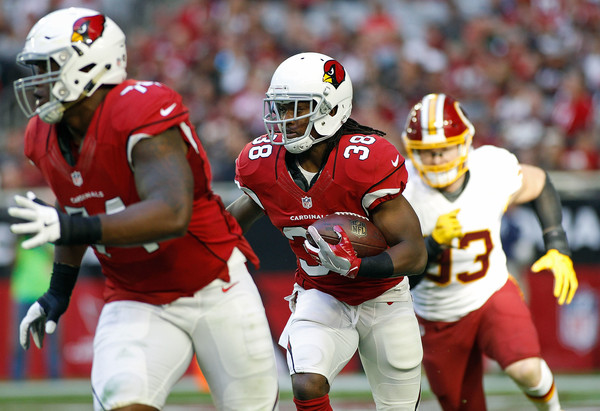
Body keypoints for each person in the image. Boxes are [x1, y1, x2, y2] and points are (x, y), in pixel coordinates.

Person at [8, 7, 278, 411]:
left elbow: (170, 213)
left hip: (215, 284)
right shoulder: (41, 136)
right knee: (123, 402)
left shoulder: (138, 109)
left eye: (47, 67)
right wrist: (56, 294)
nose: (36, 83)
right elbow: (76, 213)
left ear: (89, 64)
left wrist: (71, 228)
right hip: (136, 297)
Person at [227, 52, 427, 410]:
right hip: (321, 293)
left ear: (331, 108)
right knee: (306, 383)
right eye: (280, 108)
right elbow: (231, 223)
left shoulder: (365, 161)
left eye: (296, 108)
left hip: (385, 297)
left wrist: (359, 267)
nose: (284, 119)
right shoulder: (262, 165)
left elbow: (414, 252)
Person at [401, 93, 579, 411]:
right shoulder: (403, 193)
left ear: (464, 143)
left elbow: (538, 182)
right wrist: (432, 245)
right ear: (413, 152)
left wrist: (558, 246)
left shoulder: (489, 168)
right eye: (428, 153)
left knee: (526, 367)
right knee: (463, 405)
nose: (439, 159)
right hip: (435, 315)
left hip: (491, 293)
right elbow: (401, 282)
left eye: (445, 149)